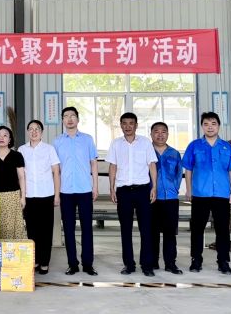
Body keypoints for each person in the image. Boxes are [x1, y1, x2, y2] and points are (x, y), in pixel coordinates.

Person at [182, 111, 231, 275]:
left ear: (218, 126)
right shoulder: (194, 146)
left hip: (222, 194)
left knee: (223, 229)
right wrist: (189, 189)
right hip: (200, 193)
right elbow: (188, 169)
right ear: (202, 126)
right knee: (197, 229)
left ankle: (223, 261)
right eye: (206, 124)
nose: (210, 127)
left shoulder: (227, 147)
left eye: (213, 124)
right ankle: (196, 260)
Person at [107, 112, 158, 277]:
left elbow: (152, 165)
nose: (128, 126)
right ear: (120, 125)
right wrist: (111, 188)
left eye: (131, 123)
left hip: (143, 190)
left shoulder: (145, 143)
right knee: (125, 229)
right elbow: (113, 167)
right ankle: (129, 264)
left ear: (136, 125)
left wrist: (154, 187)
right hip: (123, 191)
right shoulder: (116, 144)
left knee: (146, 229)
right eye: (124, 123)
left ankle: (147, 265)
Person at [53, 107, 99, 276]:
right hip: (65, 190)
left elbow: (93, 164)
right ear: (62, 120)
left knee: (87, 228)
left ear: (78, 119)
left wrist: (95, 186)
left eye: (72, 116)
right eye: (66, 116)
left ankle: (88, 264)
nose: (69, 119)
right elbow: (56, 169)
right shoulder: (57, 142)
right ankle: (72, 264)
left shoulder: (87, 139)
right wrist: (56, 192)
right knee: (68, 229)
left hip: (84, 189)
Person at [18, 120, 60, 275]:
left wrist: (57, 195)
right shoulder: (22, 150)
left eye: (37, 129)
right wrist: (22, 196)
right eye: (31, 129)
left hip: (46, 194)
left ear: (41, 132)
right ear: (28, 131)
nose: (34, 131)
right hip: (29, 196)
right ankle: (34, 260)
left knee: (46, 230)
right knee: (32, 230)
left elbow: (56, 172)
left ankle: (44, 262)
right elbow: (20, 175)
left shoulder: (49, 149)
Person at [150, 121, 184, 275]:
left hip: (170, 198)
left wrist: (174, 189)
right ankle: (153, 262)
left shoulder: (174, 153)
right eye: (156, 131)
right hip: (151, 198)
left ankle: (170, 263)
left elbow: (178, 173)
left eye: (163, 131)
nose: (160, 135)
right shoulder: (146, 151)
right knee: (152, 232)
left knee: (170, 233)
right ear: (151, 134)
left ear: (168, 134)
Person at [0, 125, 26, 240]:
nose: (2, 138)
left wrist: (23, 197)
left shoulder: (17, 155)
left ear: (10, 139)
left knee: (11, 228)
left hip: (12, 196)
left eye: (5, 135)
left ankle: (10, 251)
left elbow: (21, 177)